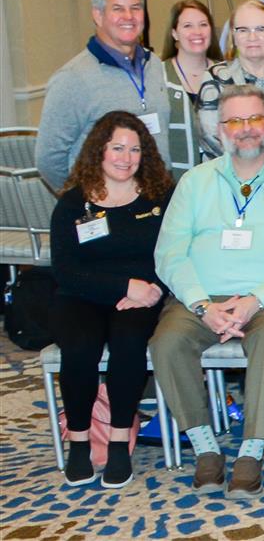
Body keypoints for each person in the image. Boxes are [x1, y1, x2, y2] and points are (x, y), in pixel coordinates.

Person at [149, 85, 264, 498]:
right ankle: (205, 447)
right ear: (220, 129)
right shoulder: (194, 182)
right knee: (166, 342)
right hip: (201, 298)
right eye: (236, 121)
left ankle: (251, 450)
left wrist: (256, 299)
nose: (246, 129)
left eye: (255, 118)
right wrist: (202, 305)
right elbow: (168, 254)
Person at [49, 112, 173, 488]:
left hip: (142, 297)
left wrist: (153, 289)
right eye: (117, 148)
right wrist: (124, 286)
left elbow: (176, 251)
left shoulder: (160, 196)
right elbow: (65, 270)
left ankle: (119, 441)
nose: (125, 157)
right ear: (99, 151)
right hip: (82, 295)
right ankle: (80, 441)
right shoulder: (73, 203)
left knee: (129, 342)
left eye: (135, 150)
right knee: (80, 347)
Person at [196, 0, 264, 159]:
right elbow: (210, 137)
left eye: (261, 29)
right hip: (228, 171)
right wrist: (254, 167)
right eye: (243, 30)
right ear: (233, 36)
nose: (252, 37)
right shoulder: (215, 79)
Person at [163, 0, 221, 166]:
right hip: (175, 174)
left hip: (221, 174)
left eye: (203, 24)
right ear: (174, 33)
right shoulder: (159, 75)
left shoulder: (227, 74)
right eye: (188, 26)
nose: (197, 32)